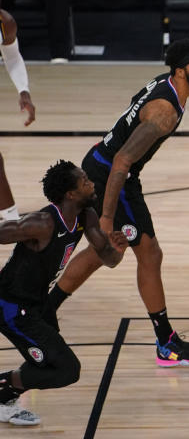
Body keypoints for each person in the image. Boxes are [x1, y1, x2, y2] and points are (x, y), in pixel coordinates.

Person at [43, 39, 189, 366]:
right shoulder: (164, 112)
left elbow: (130, 113)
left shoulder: (163, 84)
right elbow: (123, 160)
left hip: (98, 163)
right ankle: (166, 343)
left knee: (105, 252)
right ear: (180, 72)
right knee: (147, 253)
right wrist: (107, 217)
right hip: (112, 178)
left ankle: (45, 312)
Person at [0, 160, 127, 426]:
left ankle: (4, 396)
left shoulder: (86, 216)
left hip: (37, 305)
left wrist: (117, 251)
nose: (91, 182)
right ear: (70, 194)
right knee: (66, 369)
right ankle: (3, 392)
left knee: (53, 364)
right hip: (11, 307)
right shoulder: (43, 223)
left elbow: (109, 259)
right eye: (84, 181)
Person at [0, 8, 36, 224]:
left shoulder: (5, 22)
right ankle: (10, 217)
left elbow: (12, 57)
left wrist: (24, 90)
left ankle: (10, 218)